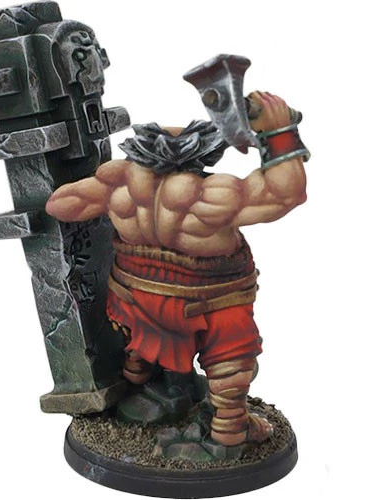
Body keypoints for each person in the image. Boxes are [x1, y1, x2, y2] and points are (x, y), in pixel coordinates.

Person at [45, 92, 307, 447]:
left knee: (143, 339)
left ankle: (143, 376)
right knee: (231, 359)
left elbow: (60, 205)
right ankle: (230, 430)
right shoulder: (211, 195)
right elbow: (284, 195)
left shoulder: (119, 186)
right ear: (201, 153)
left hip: (138, 299)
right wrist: (279, 129)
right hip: (211, 303)